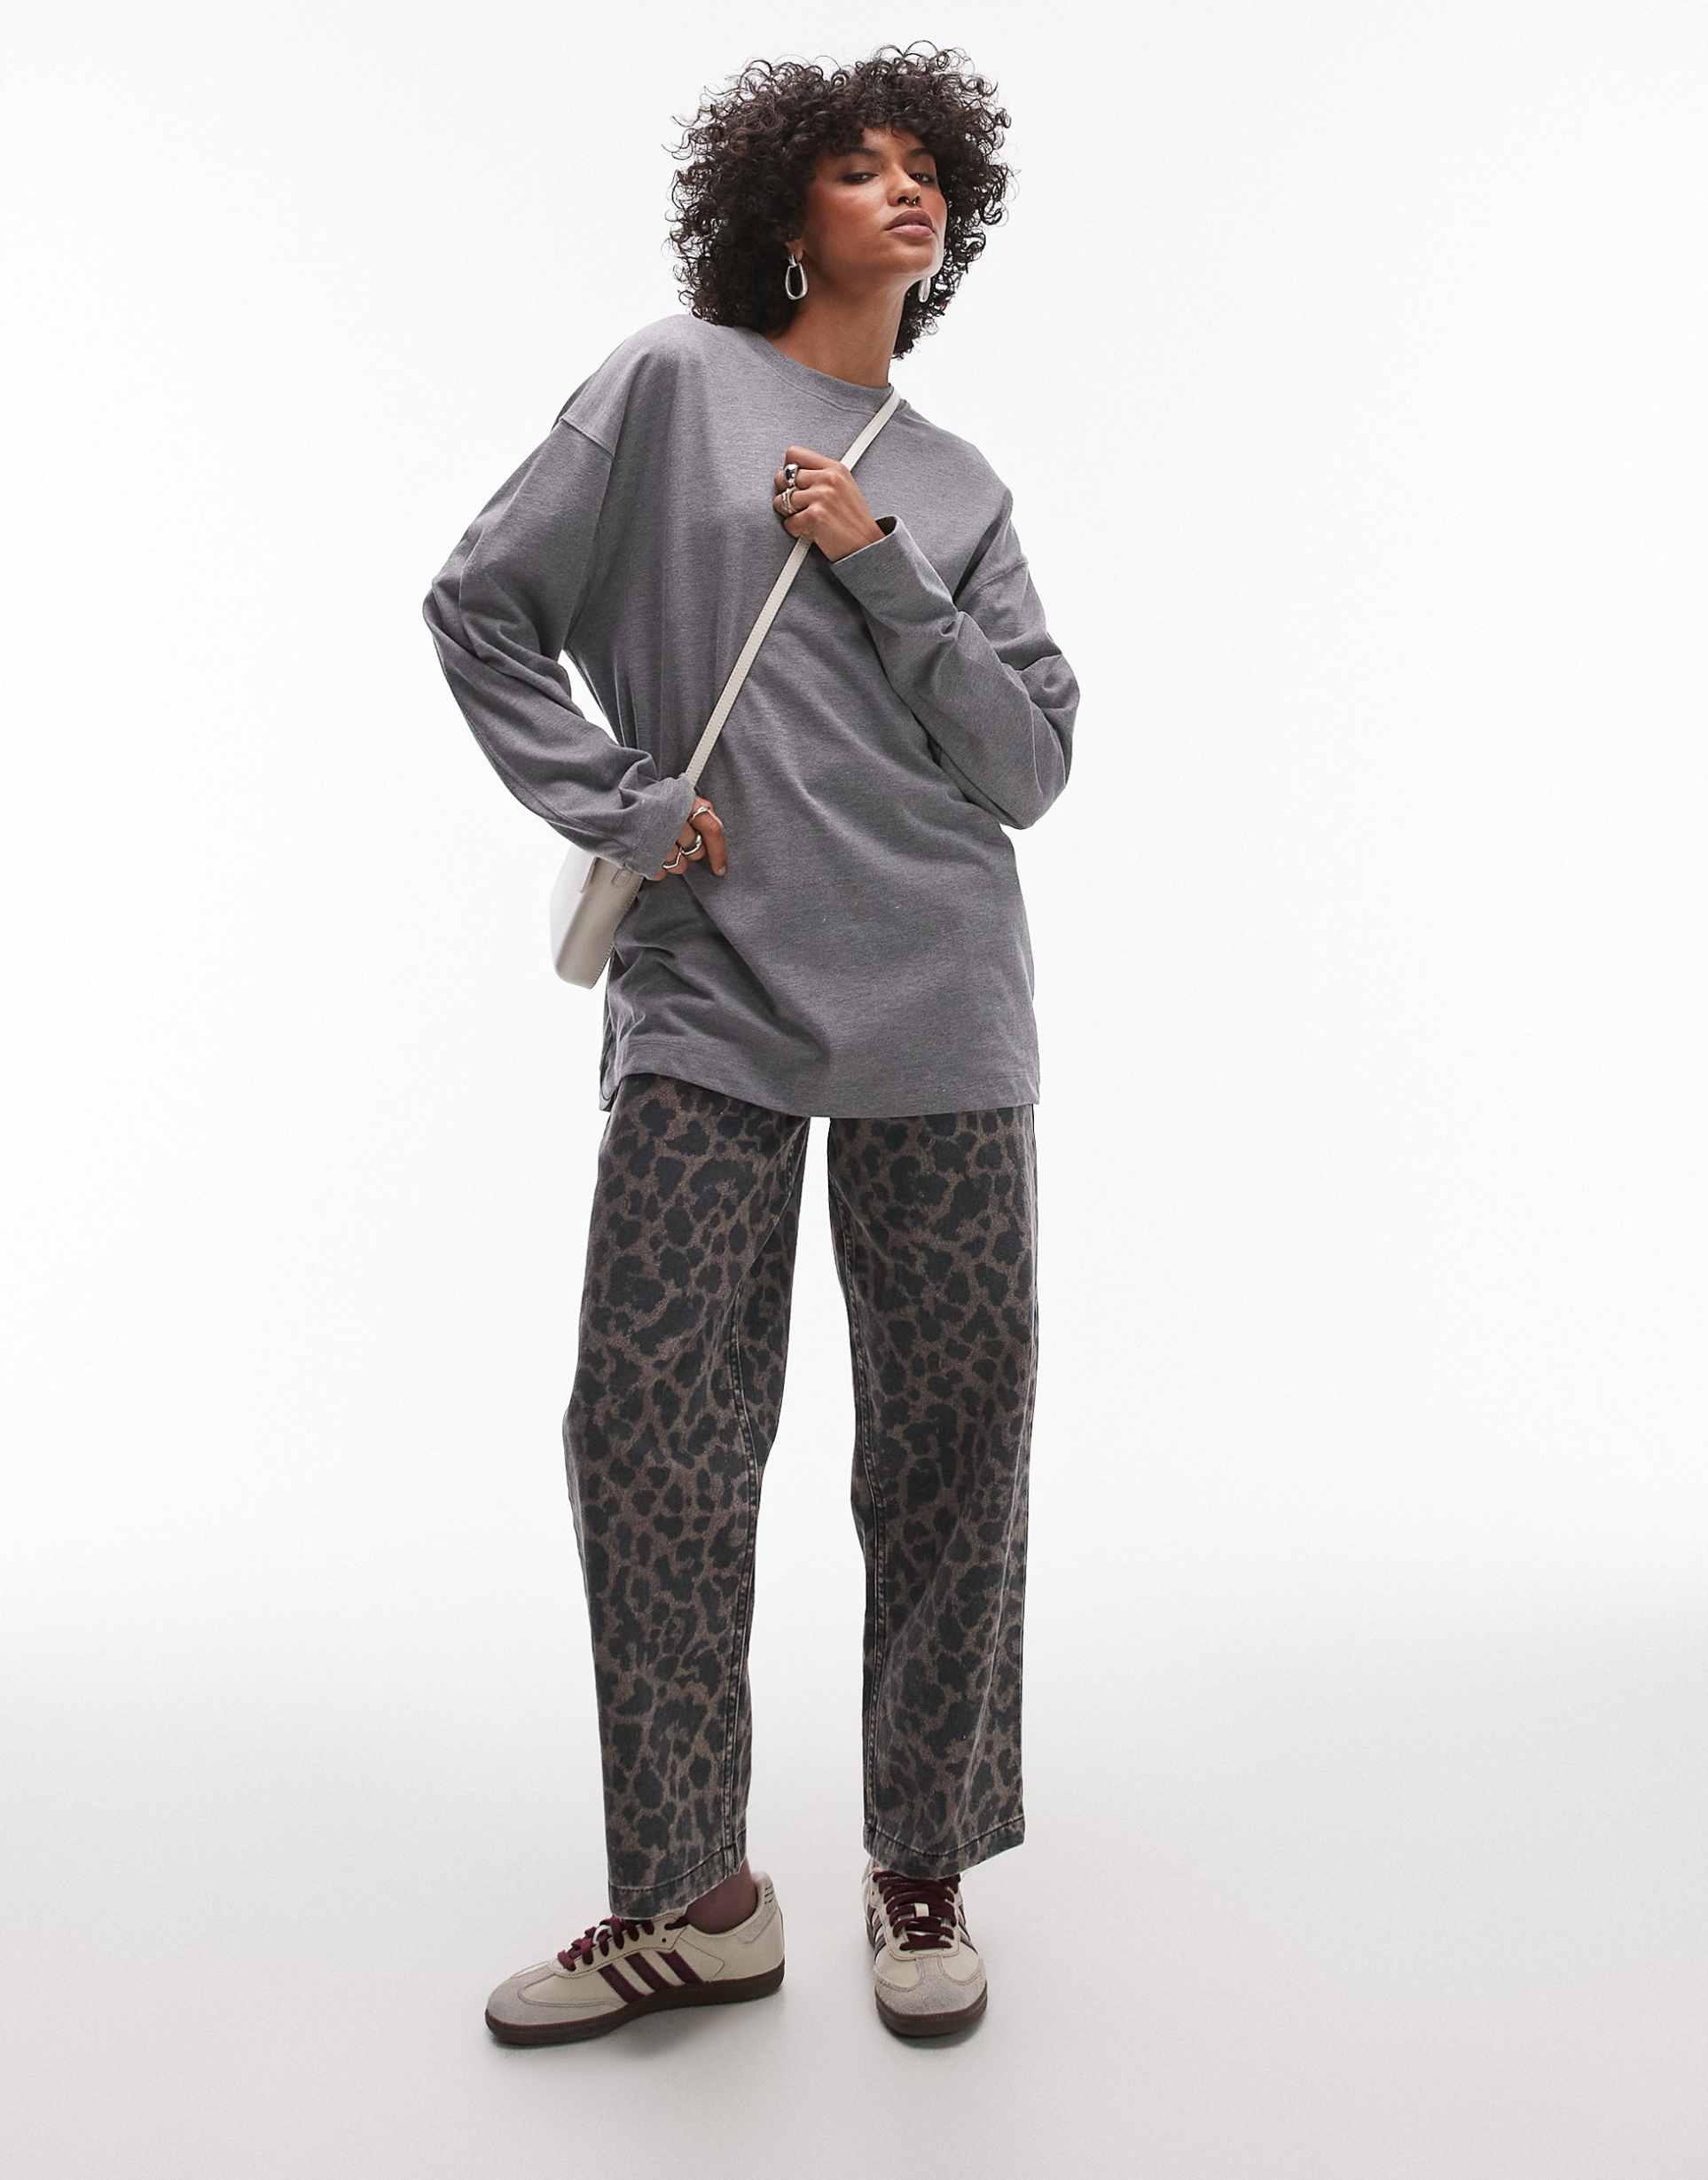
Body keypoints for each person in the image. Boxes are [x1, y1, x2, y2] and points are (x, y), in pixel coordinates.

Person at [421, 42, 1080, 2045]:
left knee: (948, 1446)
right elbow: (477, 605)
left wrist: (881, 564)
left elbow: (1030, 765)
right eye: (858, 165)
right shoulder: (666, 384)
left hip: (940, 1004)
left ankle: (922, 1862)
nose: (904, 189)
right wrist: (620, 801)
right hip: (709, 995)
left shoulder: (954, 486)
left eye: (926, 167)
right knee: (650, 1433)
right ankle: (692, 1895)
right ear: (783, 206)